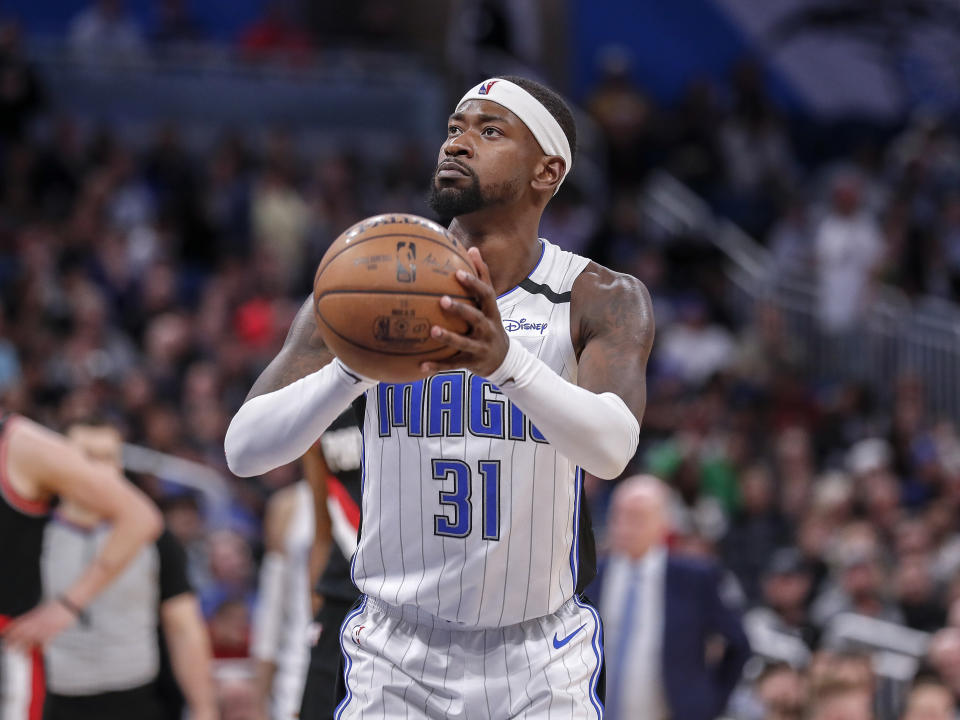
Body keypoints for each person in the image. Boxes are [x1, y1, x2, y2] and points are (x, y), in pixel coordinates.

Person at [225, 75, 655, 717]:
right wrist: (357, 367)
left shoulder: (598, 298)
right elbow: (244, 450)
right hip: (396, 651)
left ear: (547, 171)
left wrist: (504, 362)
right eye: (455, 127)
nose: (457, 142)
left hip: (540, 657)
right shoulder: (365, 282)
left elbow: (613, 449)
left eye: (488, 131)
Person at [40, 421, 217, 720]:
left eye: (109, 457)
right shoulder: (33, 533)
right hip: (53, 697)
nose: (100, 470)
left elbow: (184, 626)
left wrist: (204, 708)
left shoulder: (154, 535)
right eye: (87, 456)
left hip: (137, 697)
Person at [0, 410, 162, 719]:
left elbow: (141, 516)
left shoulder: (21, 445)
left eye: (106, 457)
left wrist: (67, 605)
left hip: (22, 659)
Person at [588, 474, 750, 720]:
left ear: (663, 522)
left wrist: (710, 702)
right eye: (618, 514)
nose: (624, 525)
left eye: (637, 516)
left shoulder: (695, 577)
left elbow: (738, 643)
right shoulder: (589, 574)